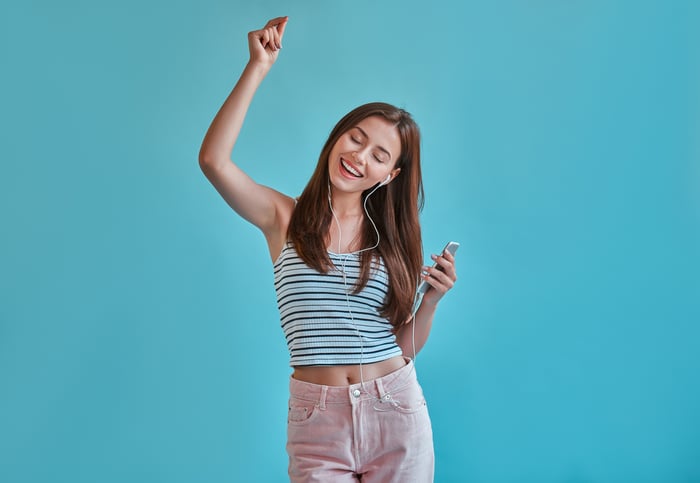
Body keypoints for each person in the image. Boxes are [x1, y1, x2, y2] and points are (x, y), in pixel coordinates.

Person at [199, 16, 457, 483]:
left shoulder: (392, 240)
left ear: (390, 176)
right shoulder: (284, 218)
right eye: (356, 138)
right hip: (317, 422)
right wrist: (257, 67)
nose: (360, 156)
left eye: (379, 155)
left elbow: (401, 345)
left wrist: (432, 302)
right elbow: (213, 161)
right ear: (337, 136)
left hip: (396, 410)